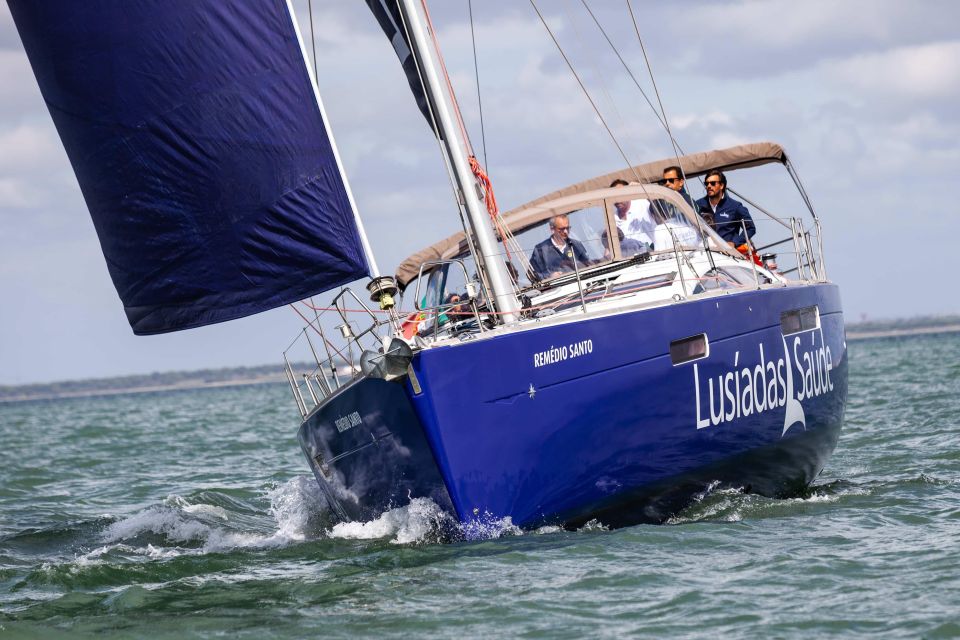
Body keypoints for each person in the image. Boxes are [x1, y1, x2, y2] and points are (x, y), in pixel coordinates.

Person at [695, 170, 755, 247]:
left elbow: (750, 228)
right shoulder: (697, 205)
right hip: (705, 252)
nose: (709, 186)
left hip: (727, 255)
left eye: (713, 183)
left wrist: (735, 242)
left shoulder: (735, 206)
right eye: (706, 184)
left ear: (722, 186)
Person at [529, 214, 592, 280]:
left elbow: (588, 265)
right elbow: (532, 275)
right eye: (561, 229)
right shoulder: (540, 250)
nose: (565, 232)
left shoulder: (576, 245)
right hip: (556, 288)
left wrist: (574, 265)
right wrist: (549, 276)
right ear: (552, 229)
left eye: (567, 228)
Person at [610, 179, 655, 249]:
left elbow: (658, 206)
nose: (617, 200)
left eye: (619, 195)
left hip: (652, 250)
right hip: (629, 256)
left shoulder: (642, 203)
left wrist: (643, 189)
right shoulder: (612, 219)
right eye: (613, 197)